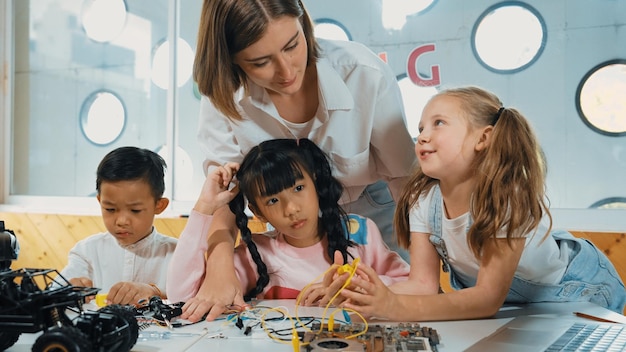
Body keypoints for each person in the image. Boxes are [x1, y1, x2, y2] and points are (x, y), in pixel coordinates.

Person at [191, 0, 416, 320]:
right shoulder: (223, 95)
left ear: (304, 24)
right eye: (260, 62)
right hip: (290, 225)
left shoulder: (362, 73)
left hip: (373, 209)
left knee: (384, 314)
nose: (286, 72)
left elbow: (404, 179)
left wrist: (422, 278)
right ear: (232, 61)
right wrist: (219, 267)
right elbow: (227, 194)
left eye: (292, 45)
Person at [337, 86, 626, 320]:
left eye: (438, 123)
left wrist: (394, 307)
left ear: (483, 138)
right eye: (421, 127)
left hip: (577, 289)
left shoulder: (508, 197)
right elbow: (423, 285)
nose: (422, 136)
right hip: (519, 305)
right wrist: (366, 294)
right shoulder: (423, 200)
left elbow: (487, 299)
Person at [167, 138, 410, 322]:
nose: (291, 208)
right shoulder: (255, 254)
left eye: (298, 188)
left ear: (315, 182)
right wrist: (204, 208)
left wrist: (355, 287)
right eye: (273, 200)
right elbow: (182, 298)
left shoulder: (360, 233)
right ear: (258, 211)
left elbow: (412, 286)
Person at [59, 146, 177, 306]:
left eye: (135, 210)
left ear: (159, 205)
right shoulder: (86, 252)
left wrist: (155, 292)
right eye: (110, 209)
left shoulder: (176, 254)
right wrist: (68, 289)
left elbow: (192, 299)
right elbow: (55, 294)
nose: (121, 221)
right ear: (100, 201)